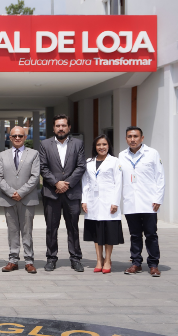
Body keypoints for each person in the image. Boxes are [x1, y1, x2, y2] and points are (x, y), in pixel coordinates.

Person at [39, 114, 86, 272]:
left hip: (72, 193)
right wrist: (55, 183)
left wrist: (67, 184)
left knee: (73, 226)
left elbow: (81, 166)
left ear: (69, 127)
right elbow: (43, 167)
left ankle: (75, 258)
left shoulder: (78, 144)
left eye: (63, 125)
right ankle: (51, 258)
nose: (60, 128)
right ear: (53, 128)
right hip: (51, 193)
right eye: (58, 126)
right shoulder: (45, 144)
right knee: (51, 227)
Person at [119, 126, 164, 277]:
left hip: (149, 202)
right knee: (135, 235)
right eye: (129, 136)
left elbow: (160, 177)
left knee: (151, 234)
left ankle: (153, 264)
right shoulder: (121, 156)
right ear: (126, 138)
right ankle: (136, 263)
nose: (132, 139)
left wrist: (158, 198)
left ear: (142, 138)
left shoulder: (152, 153)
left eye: (135, 136)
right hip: (131, 202)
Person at [0, 126, 40, 274]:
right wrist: (11, 192)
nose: (17, 138)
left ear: (25, 137)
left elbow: (35, 177)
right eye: (14, 136)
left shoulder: (34, 154)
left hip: (27, 199)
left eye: (20, 136)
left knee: (27, 231)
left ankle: (29, 261)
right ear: (10, 137)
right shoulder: (2, 155)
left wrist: (21, 192)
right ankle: (13, 260)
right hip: (9, 199)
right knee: (12, 231)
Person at [81, 135, 124, 274]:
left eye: (104, 144)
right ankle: (99, 260)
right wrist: (84, 200)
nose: (101, 147)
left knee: (108, 232)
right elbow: (85, 183)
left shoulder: (115, 161)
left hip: (109, 201)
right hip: (93, 202)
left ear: (108, 146)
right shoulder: (89, 162)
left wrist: (115, 202)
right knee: (96, 232)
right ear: (95, 147)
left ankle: (107, 260)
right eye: (99, 145)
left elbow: (118, 183)